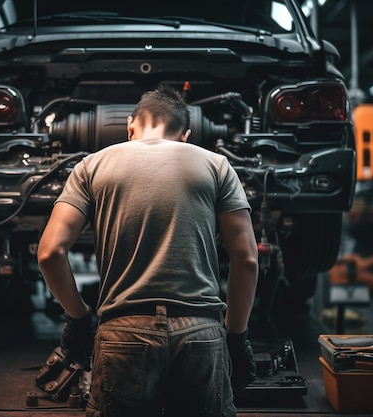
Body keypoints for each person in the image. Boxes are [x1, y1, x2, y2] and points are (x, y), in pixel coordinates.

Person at [37, 85, 259, 417]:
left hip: (122, 331)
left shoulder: (92, 166)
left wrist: (79, 318)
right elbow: (247, 259)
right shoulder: (217, 165)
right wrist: (236, 337)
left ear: (130, 127)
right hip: (201, 331)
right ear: (185, 135)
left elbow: (50, 253)